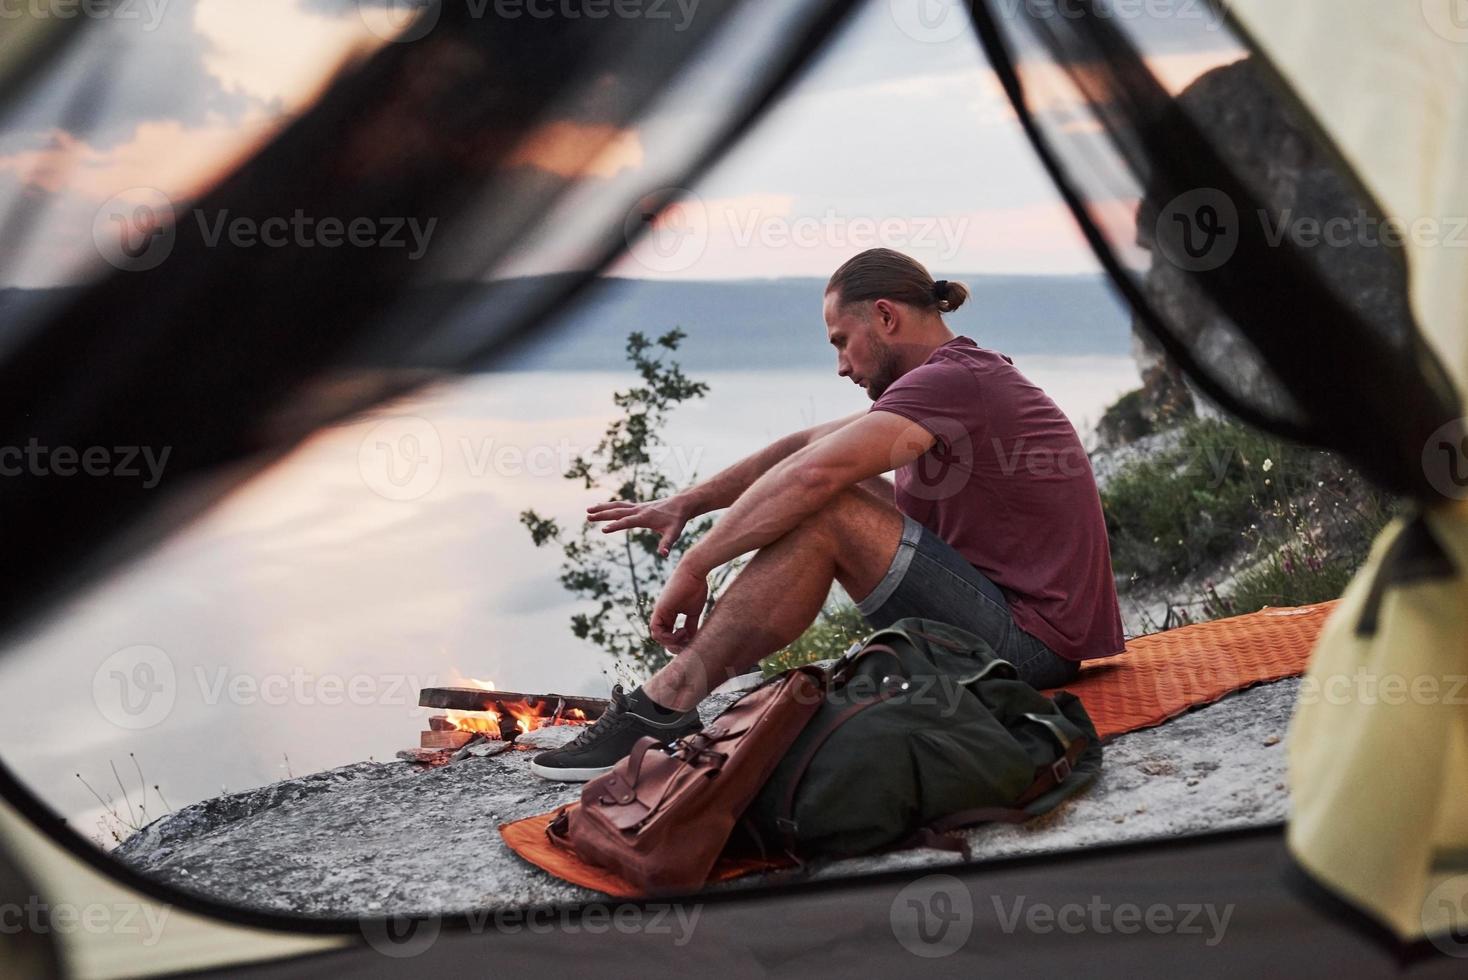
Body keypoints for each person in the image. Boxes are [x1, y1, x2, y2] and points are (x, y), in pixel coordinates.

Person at [531, 248, 1125, 781]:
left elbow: (815, 477)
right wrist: (687, 503)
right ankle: (671, 700)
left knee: (829, 505)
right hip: (1012, 625)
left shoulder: (953, 382)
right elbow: (806, 449)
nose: (841, 366)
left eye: (842, 340)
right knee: (837, 489)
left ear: (886, 318)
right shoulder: (953, 378)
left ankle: (665, 703)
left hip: (1029, 653)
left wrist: (697, 564)